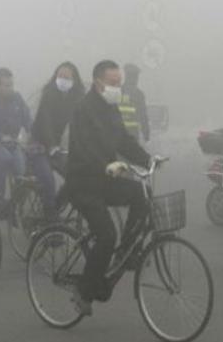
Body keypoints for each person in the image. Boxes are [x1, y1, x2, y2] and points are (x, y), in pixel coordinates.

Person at [66, 60, 152, 316]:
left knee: (140, 194)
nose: (118, 87)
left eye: (119, 83)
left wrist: (148, 160)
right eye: (113, 83)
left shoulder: (112, 107)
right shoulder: (83, 109)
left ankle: (125, 253)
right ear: (98, 83)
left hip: (105, 180)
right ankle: (84, 291)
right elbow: (84, 148)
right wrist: (105, 165)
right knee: (106, 235)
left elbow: (123, 140)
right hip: (83, 183)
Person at [29, 62, 85, 220]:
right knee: (48, 180)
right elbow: (45, 122)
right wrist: (52, 145)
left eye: (67, 77)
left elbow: (81, 124)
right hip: (39, 145)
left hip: (56, 147)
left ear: (74, 80)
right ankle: (49, 220)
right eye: (60, 76)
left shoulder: (76, 99)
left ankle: (55, 206)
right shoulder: (48, 95)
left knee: (75, 176)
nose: (63, 80)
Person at [0, 68, 31, 201]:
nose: (11, 88)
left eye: (11, 84)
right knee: (4, 159)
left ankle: (17, 202)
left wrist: (31, 132)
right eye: (7, 85)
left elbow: (27, 118)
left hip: (13, 143)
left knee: (21, 169)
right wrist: (0, 136)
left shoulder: (17, 98)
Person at [120, 63, 150, 143]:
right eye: (136, 77)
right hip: (132, 134)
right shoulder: (138, 94)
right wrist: (146, 134)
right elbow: (143, 116)